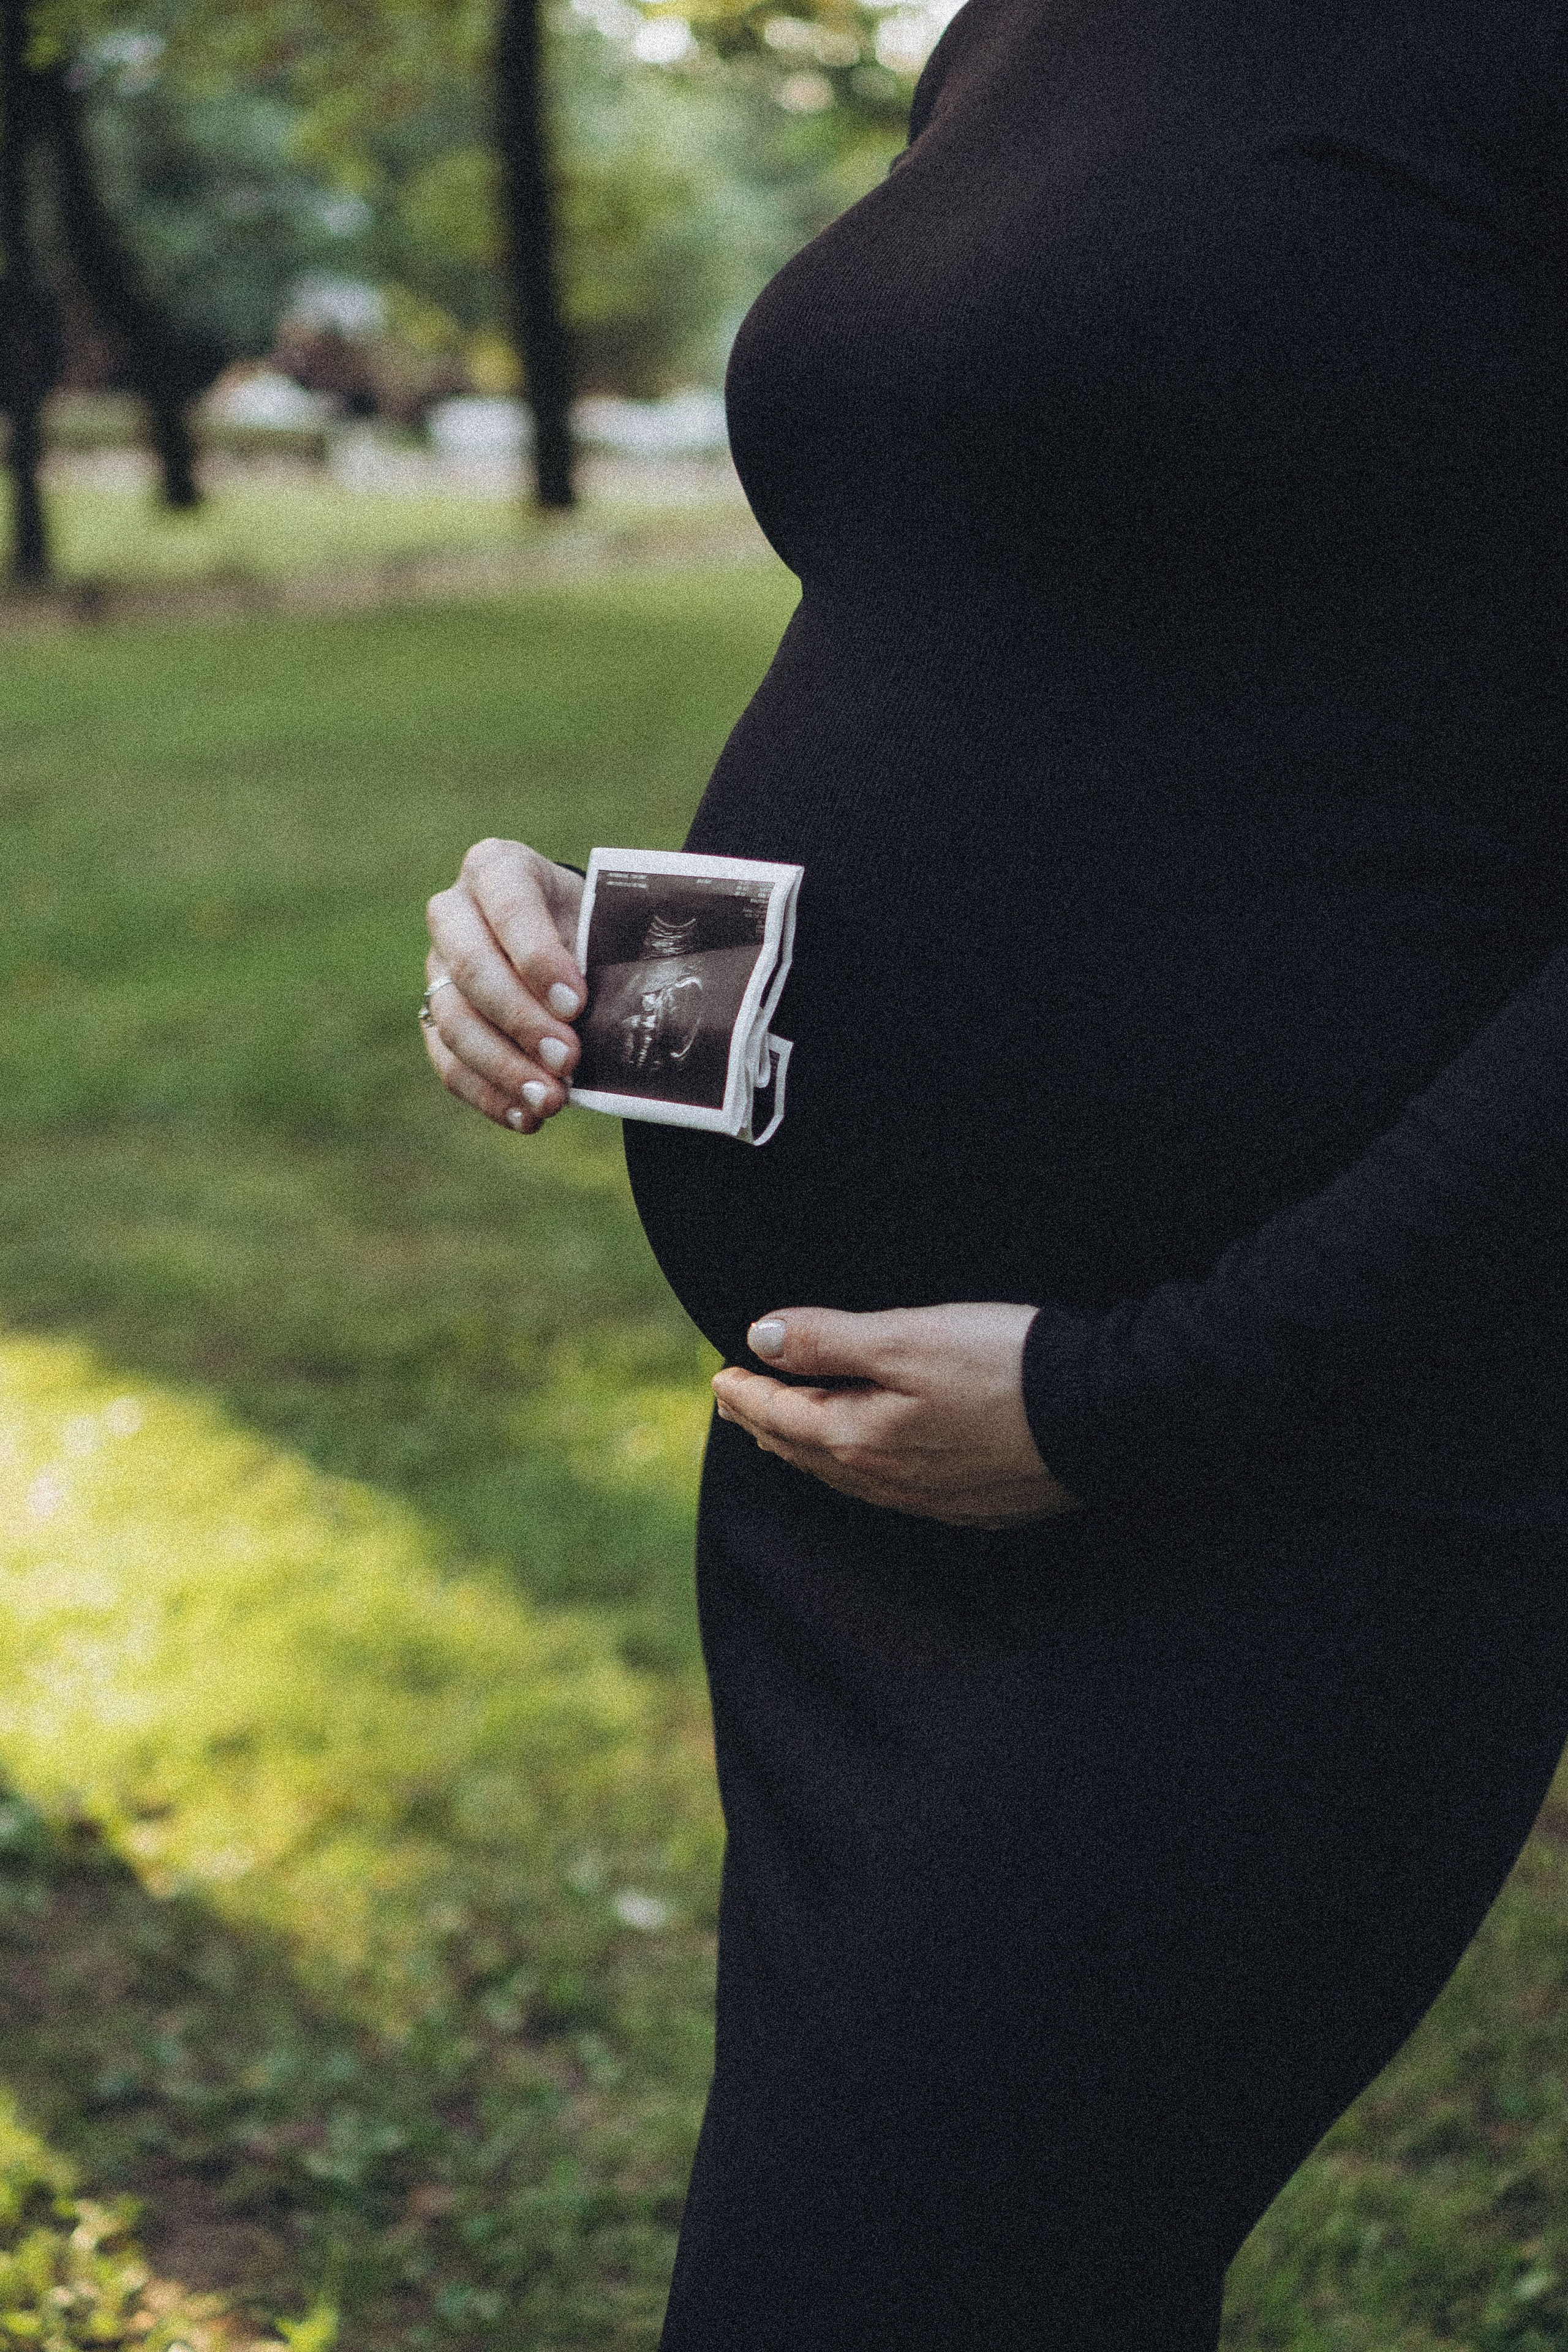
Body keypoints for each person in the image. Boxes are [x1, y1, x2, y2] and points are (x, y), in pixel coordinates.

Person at [421, 0, 1568, 2338]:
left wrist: (1139, 1397)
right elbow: (1016, 613)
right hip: (849, 1491)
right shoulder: (1016, 32)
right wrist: (569, 944)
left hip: (1291, 1477)